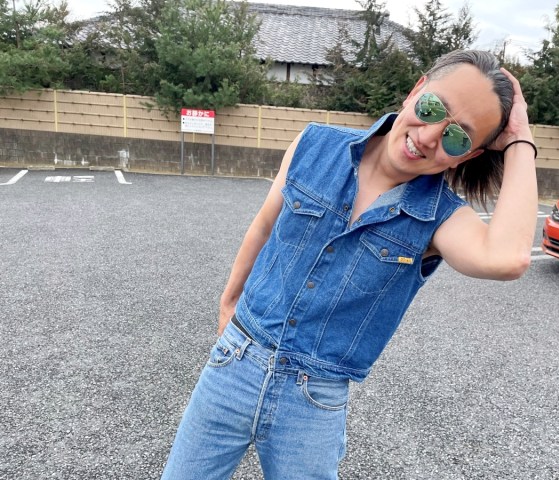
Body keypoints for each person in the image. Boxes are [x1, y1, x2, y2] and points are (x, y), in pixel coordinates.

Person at [161, 49, 538, 480]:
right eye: (432, 108)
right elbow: (264, 226)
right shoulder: (315, 145)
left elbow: (508, 258)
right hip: (234, 363)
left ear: (465, 157)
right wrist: (229, 303)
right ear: (416, 90)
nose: (429, 136)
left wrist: (520, 139)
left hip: (312, 402)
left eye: (457, 138)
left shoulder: (439, 217)